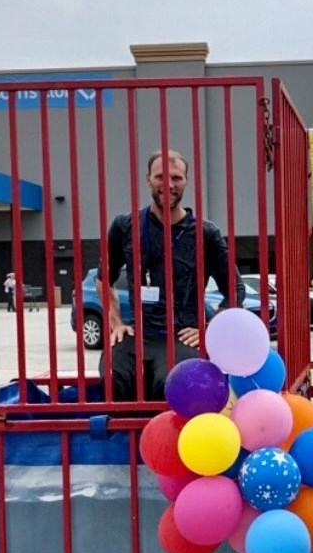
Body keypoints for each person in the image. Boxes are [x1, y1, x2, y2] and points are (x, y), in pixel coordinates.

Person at [97, 149, 245, 401]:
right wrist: (117, 323)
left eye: (176, 178)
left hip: (181, 335)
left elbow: (235, 289)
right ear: (148, 179)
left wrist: (209, 330)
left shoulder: (205, 233)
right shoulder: (125, 226)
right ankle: (124, 428)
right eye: (160, 177)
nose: (168, 184)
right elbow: (103, 279)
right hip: (139, 333)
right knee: (112, 379)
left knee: (169, 386)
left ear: (186, 181)